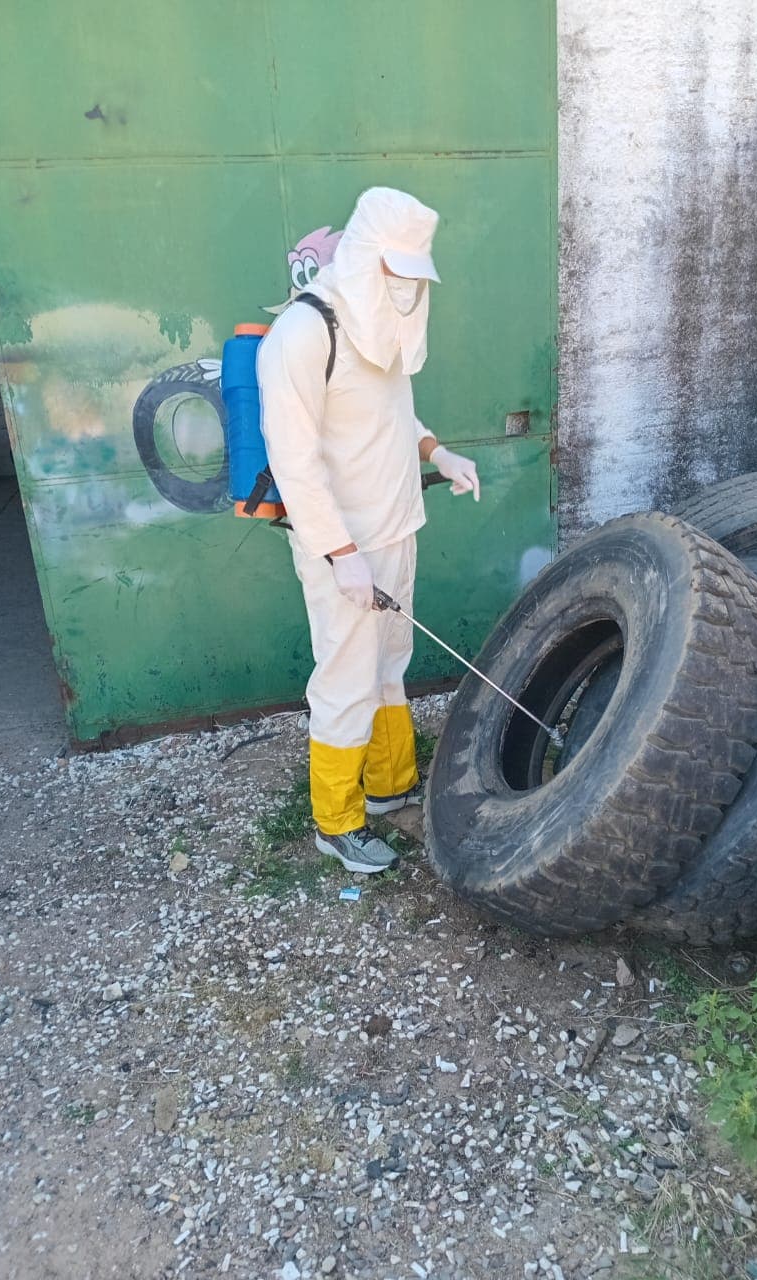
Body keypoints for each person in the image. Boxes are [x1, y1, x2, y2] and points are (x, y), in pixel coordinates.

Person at [257, 187, 480, 874]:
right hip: (344, 551)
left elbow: (387, 414)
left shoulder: (378, 327)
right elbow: (291, 457)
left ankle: (388, 785)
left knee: (390, 663)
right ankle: (337, 821)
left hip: (396, 528)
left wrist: (437, 451)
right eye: (398, 271)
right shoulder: (302, 332)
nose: (409, 287)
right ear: (363, 258)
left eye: (417, 275)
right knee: (347, 678)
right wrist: (340, 552)